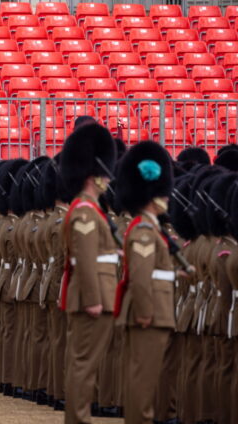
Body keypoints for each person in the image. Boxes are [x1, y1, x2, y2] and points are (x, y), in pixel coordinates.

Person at [58, 122, 118, 424]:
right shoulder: (84, 210)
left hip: (98, 296)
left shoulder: (91, 209)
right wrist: (95, 298)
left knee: (86, 366)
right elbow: (83, 258)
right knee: (83, 366)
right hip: (92, 299)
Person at [113, 141, 176, 424]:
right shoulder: (144, 230)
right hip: (148, 312)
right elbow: (140, 275)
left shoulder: (149, 228)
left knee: (147, 379)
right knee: (143, 380)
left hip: (153, 311)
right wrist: (145, 311)